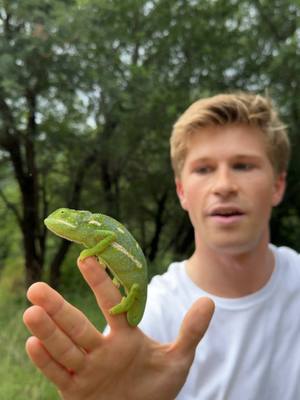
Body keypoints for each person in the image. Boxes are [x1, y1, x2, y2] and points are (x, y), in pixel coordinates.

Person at [23, 92, 300, 400]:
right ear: (181, 191)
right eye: (204, 169)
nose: (224, 185)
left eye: (244, 165)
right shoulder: (154, 312)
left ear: (278, 185)